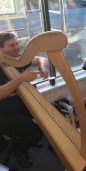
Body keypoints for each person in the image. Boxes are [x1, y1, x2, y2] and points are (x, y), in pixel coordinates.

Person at [0, 32, 47, 168]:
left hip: (19, 104)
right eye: (11, 45)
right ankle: (19, 150)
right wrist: (21, 78)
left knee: (49, 114)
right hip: (3, 113)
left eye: (16, 43)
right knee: (35, 133)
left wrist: (42, 67)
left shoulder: (15, 60)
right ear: (0, 49)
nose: (16, 47)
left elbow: (40, 59)